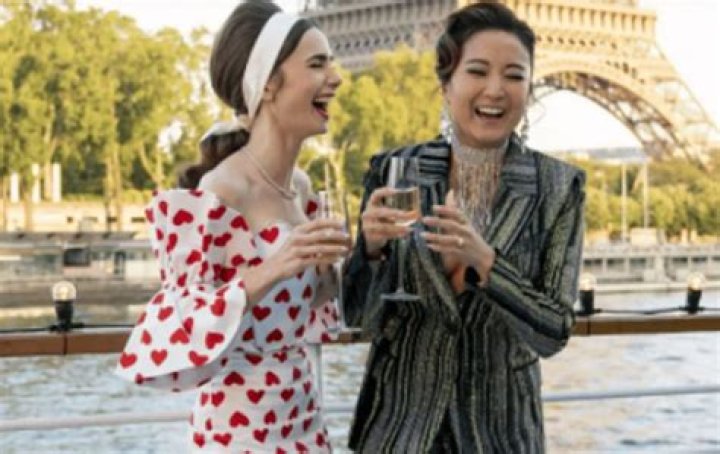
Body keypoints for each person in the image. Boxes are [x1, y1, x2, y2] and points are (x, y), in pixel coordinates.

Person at [343, 2, 586, 452]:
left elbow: (554, 331)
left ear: (529, 88)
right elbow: (359, 318)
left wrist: (487, 264)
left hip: (500, 436)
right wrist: (371, 252)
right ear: (446, 84)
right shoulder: (394, 171)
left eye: (514, 75)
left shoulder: (558, 188)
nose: (495, 89)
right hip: (398, 434)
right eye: (477, 71)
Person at [115, 1, 346, 451]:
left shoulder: (301, 187)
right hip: (239, 430)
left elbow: (304, 306)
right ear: (269, 84)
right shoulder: (219, 192)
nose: (335, 78)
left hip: (303, 414)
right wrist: (275, 266)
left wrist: (348, 258)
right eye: (318, 64)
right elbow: (185, 320)